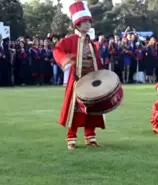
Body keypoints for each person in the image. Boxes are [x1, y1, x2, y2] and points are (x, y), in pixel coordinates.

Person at [53, 0, 105, 150]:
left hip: (92, 81)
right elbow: (57, 50)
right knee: (74, 110)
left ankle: (90, 137)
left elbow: (97, 60)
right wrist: (65, 60)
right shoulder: (69, 40)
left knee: (92, 109)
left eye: (89, 22)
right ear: (77, 24)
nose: (88, 25)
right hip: (77, 81)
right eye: (85, 22)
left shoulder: (90, 42)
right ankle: (71, 139)